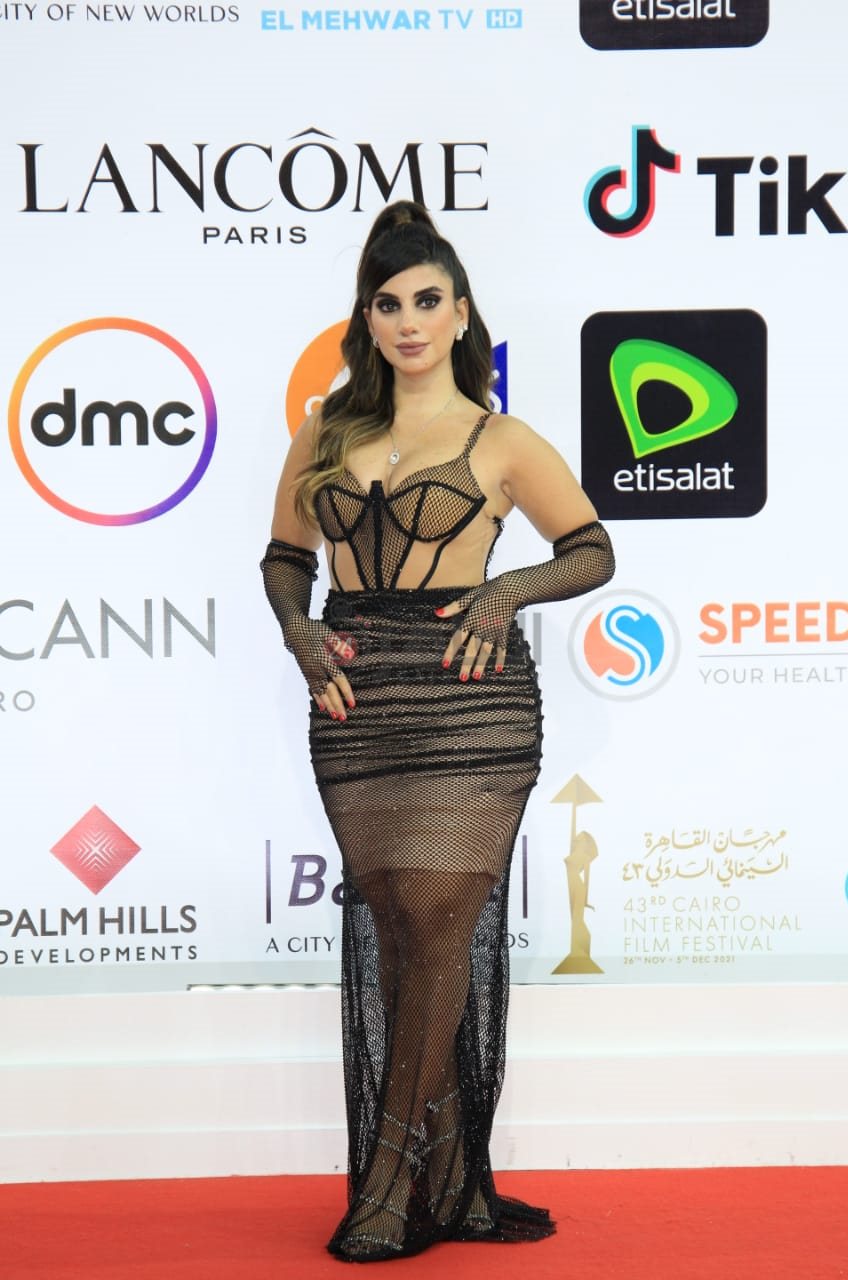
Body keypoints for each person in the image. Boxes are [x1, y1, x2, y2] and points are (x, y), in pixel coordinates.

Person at [261, 201, 615, 1262]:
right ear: (366, 319)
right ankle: (450, 1177)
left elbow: (590, 549)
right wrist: (299, 634)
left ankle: (386, 1183)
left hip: (473, 702)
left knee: (439, 924)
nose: (408, 321)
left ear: (461, 313)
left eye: (426, 301)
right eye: (387, 304)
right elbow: (286, 559)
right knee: (401, 934)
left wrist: (505, 592)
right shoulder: (324, 432)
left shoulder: (500, 440)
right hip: (357, 703)